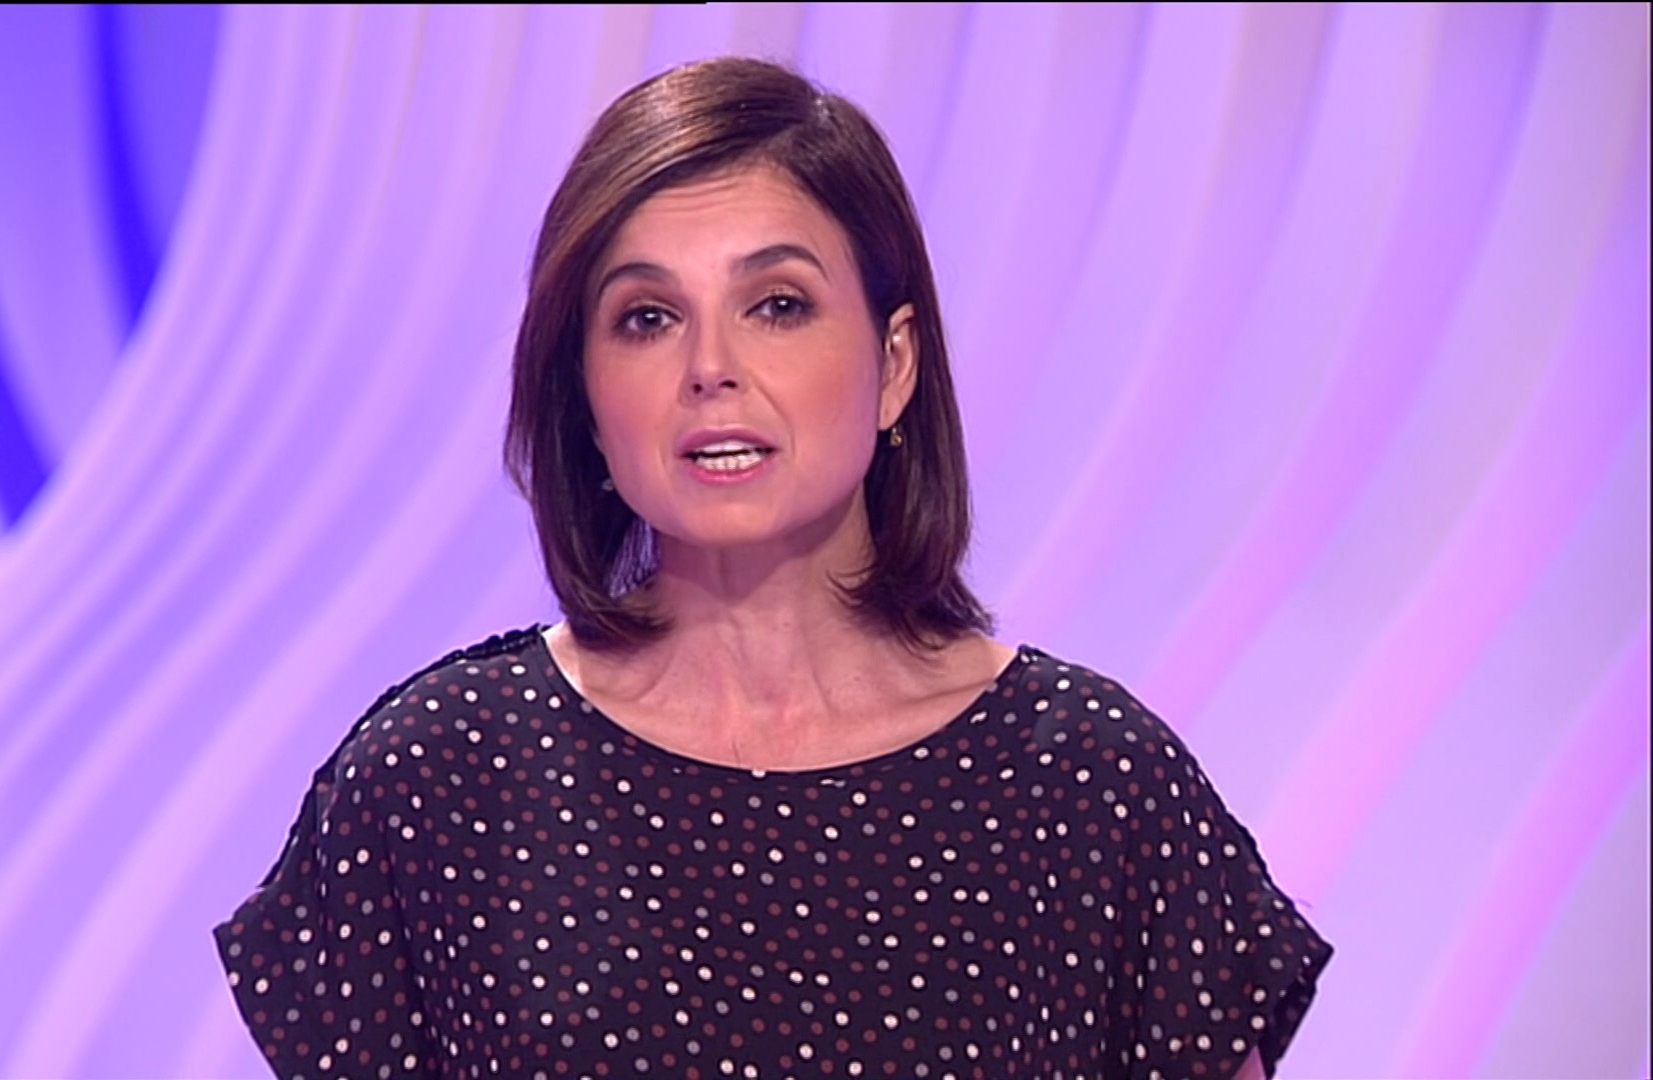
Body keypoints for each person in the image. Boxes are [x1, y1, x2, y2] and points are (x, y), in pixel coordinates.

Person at [216, 57, 1331, 1080]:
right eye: (648, 318)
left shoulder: (1091, 784)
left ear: (895, 364)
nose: (712, 368)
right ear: (586, 400)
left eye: (778, 306)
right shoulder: (441, 778)